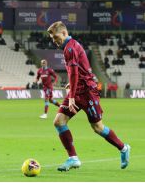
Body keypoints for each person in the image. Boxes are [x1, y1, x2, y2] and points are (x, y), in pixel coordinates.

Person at [47, 21, 130, 171]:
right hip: (77, 89)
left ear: (64, 33)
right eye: (52, 38)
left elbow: (74, 73)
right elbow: (78, 71)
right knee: (59, 122)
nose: (54, 41)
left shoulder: (70, 48)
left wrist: (71, 95)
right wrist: (72, 87)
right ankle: (73, 158)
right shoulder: (69, 45)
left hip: (87, 92)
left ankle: (123, 148)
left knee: (98, 127)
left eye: (56, 36)